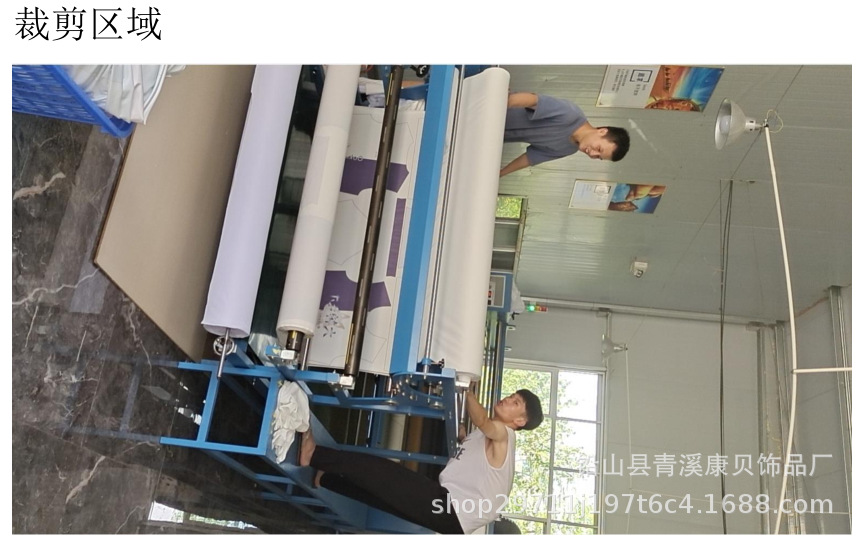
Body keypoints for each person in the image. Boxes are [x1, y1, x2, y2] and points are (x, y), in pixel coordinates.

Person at [299, 389, 544, 534]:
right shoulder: (490, 437)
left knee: (381, 473)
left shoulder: (505, 434)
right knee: (384, 497)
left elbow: (482, 421)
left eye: (515, 403)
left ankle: (313, 454)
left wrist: (466, 389)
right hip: (454, 518)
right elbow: (475, 442)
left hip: (452, 509)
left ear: (520, 422)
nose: (507, 399)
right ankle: (326, 479)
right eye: (511, 396)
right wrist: (461, 434)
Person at [501, 92, 630, 177]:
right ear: (602, 131)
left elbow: (529, 158)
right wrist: (497, 104)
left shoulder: (568, 149)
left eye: (598, 157)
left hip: (493, 134)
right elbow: (532, 100)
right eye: (599, 149)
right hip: (494, 109)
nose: (592, 154)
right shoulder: (569, 113)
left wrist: (500, 174)